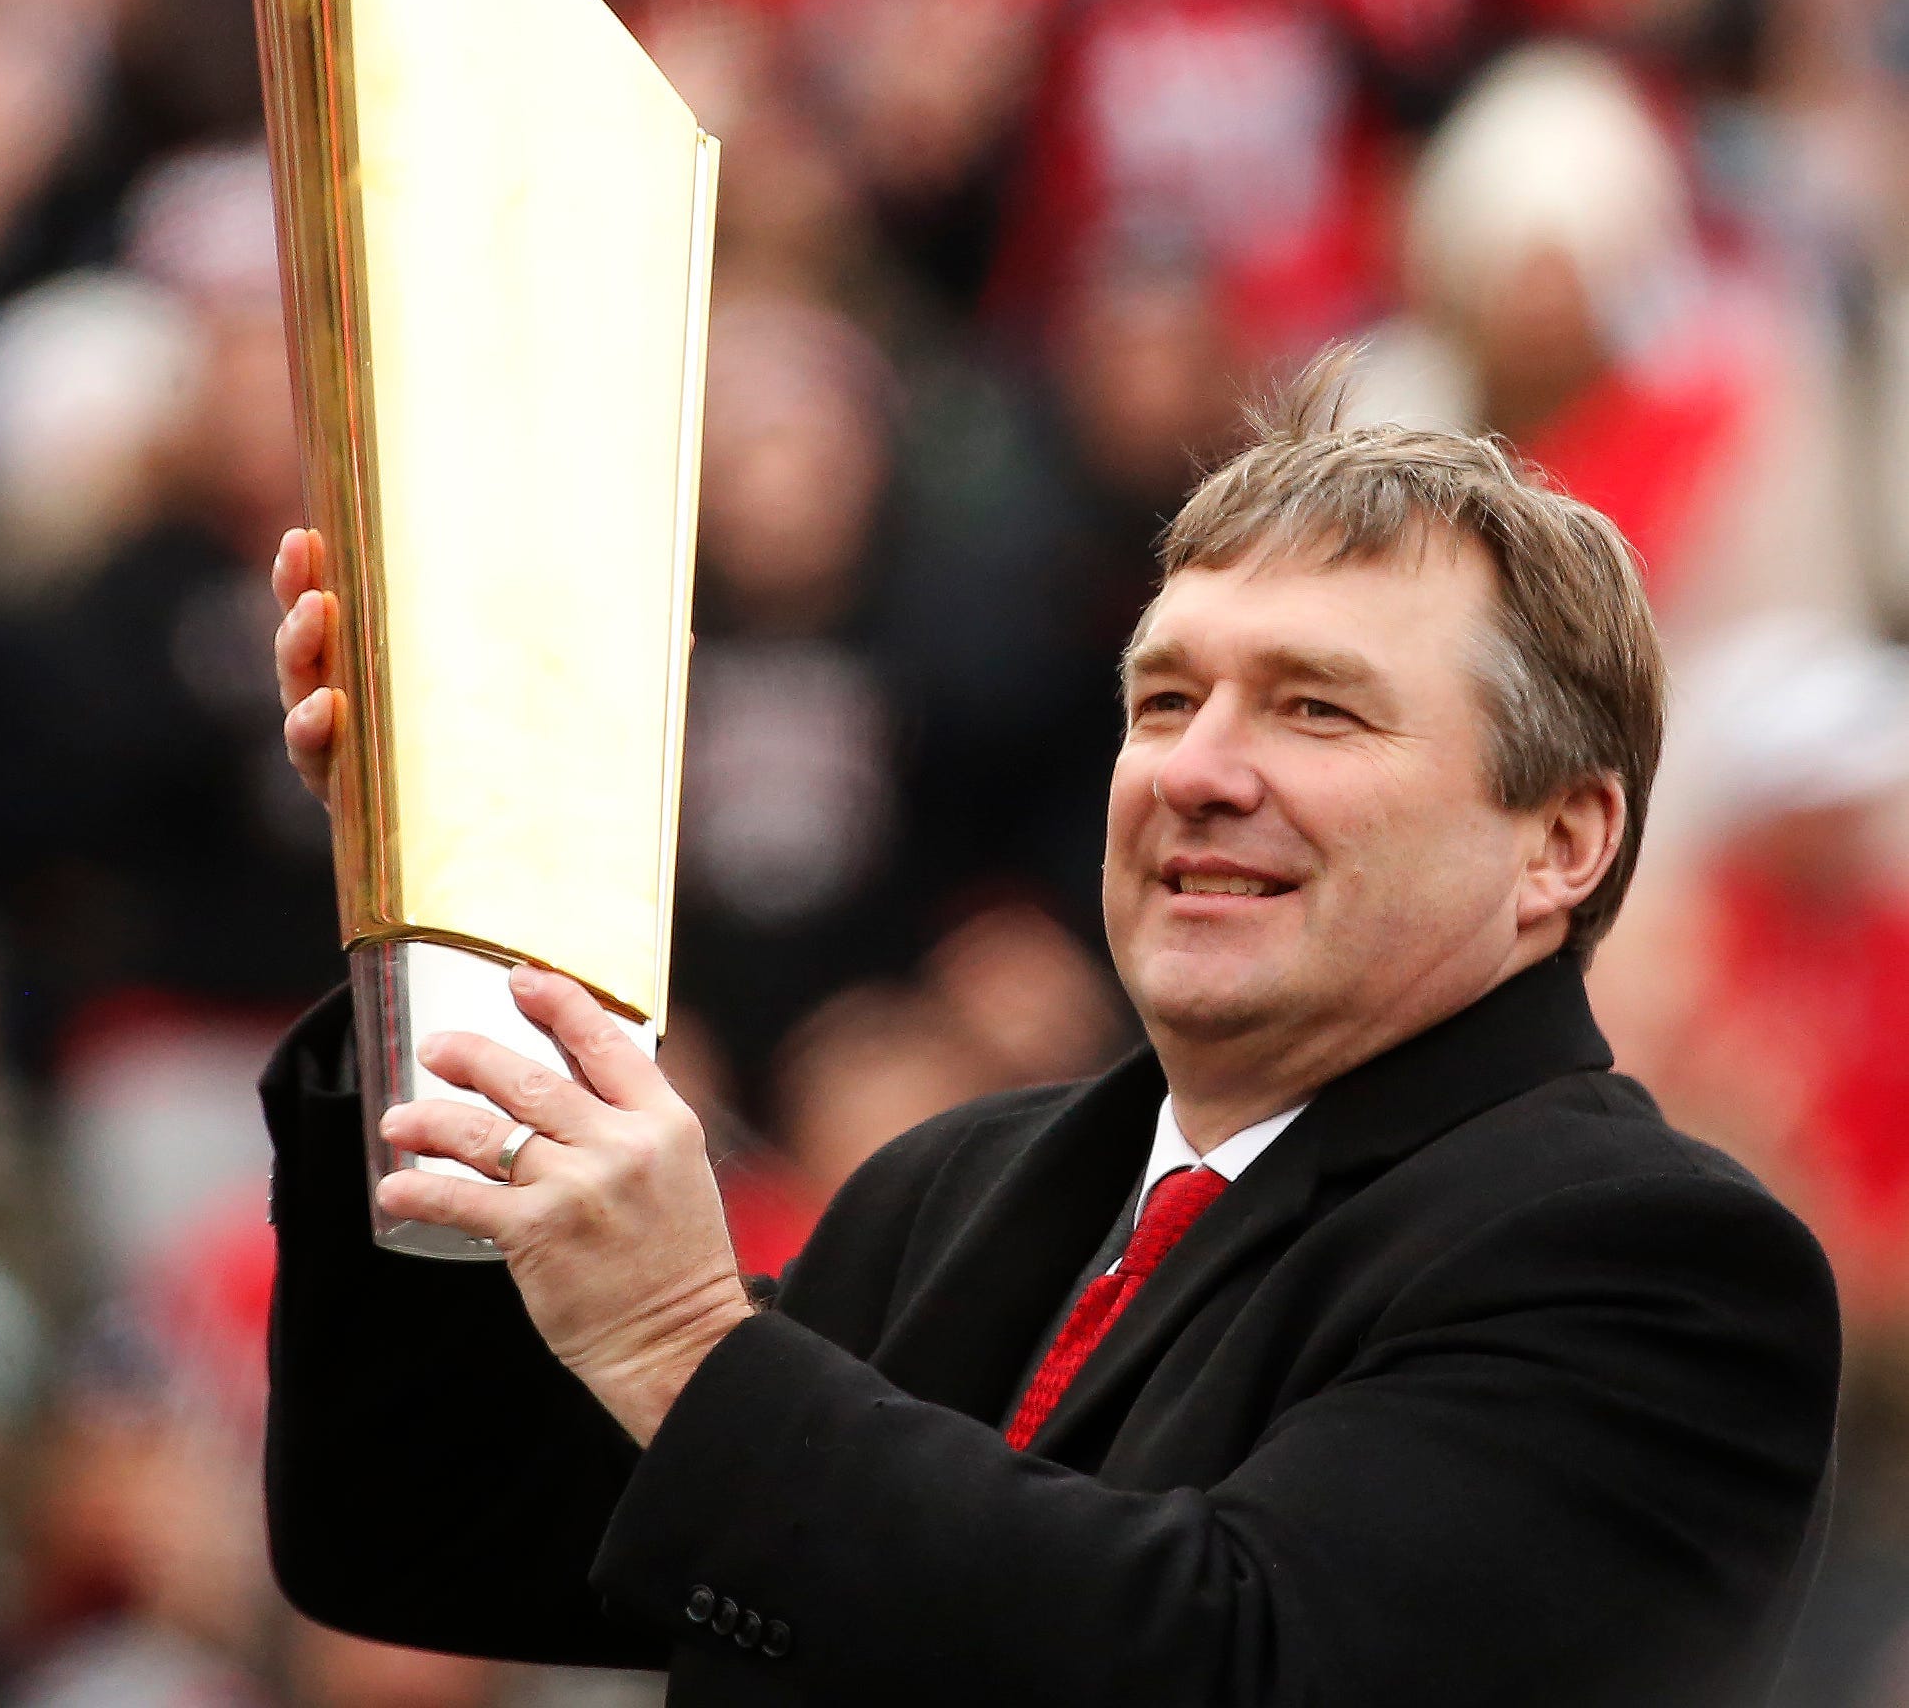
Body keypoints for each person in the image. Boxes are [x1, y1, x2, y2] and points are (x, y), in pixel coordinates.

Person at [252, 352, 1837, 1706]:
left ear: (1562, 842)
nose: (1196, 770)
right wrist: (440, 890)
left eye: (1315, 708)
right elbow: (418, 1526)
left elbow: (1231, 1662)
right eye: (1163, 701)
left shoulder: (1656, 1266)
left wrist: (686, 1352)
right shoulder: (958, 1189)